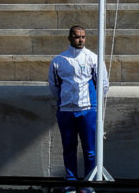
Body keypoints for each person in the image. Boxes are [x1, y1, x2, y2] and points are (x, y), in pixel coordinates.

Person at [48, 25, 109, 181]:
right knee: (69, 148)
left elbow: (103, 85)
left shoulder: (93, 58)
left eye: (83, 37)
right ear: (69, 38)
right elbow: (54, 86)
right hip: (66, 111)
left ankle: (89, 184)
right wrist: (64, 102)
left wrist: (93, 104)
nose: (80, 40)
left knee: (90, 150)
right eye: (77, 37)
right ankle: (71, 183)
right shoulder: (58, 61)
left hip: (87, 110)